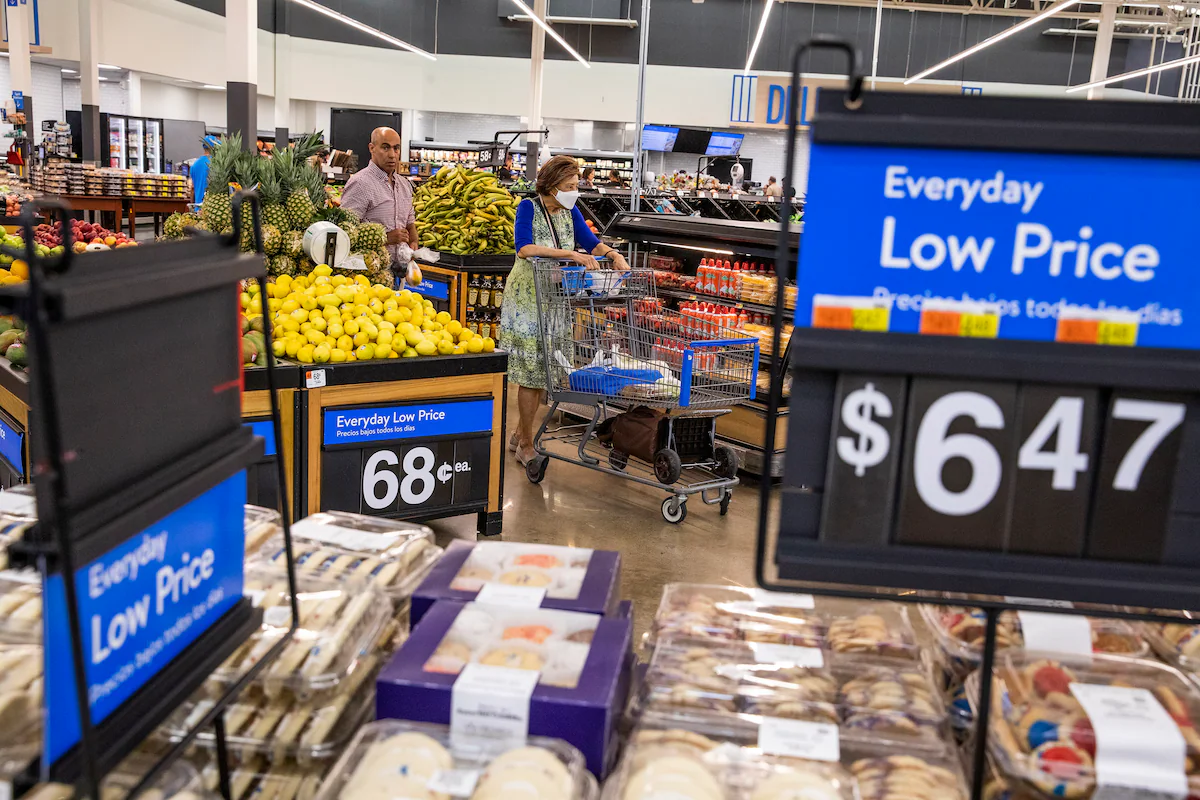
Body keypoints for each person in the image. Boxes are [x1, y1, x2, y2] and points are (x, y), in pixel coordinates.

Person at [500, 155, 630, 466]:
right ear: (553, 184)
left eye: (576, 186)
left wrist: (612, 254)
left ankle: (521, 432)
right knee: (531, 374)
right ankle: (527, 445)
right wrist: (570, 254)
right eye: (570, 186)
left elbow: (592, 242)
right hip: (528, 298)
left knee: (548, 370)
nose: (575, 191)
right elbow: (524, 248)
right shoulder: (529, 207)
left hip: (556, 299)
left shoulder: (570, 211)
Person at [340, 127, 418, 269]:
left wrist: (413, 243)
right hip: (370, 272)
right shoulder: (360, 184)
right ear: (372, 148)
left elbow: (410, 223)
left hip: (400, 270)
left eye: (396, 149)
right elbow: (344, 234)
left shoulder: (404, 184)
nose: (392, 155)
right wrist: (387, 238)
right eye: (385, 148)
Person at [191, 135, 218, 205]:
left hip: (198, 207)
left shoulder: (195, 164)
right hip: (212, 208)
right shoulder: (215, 163)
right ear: (214, 147)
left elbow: (192, 189)